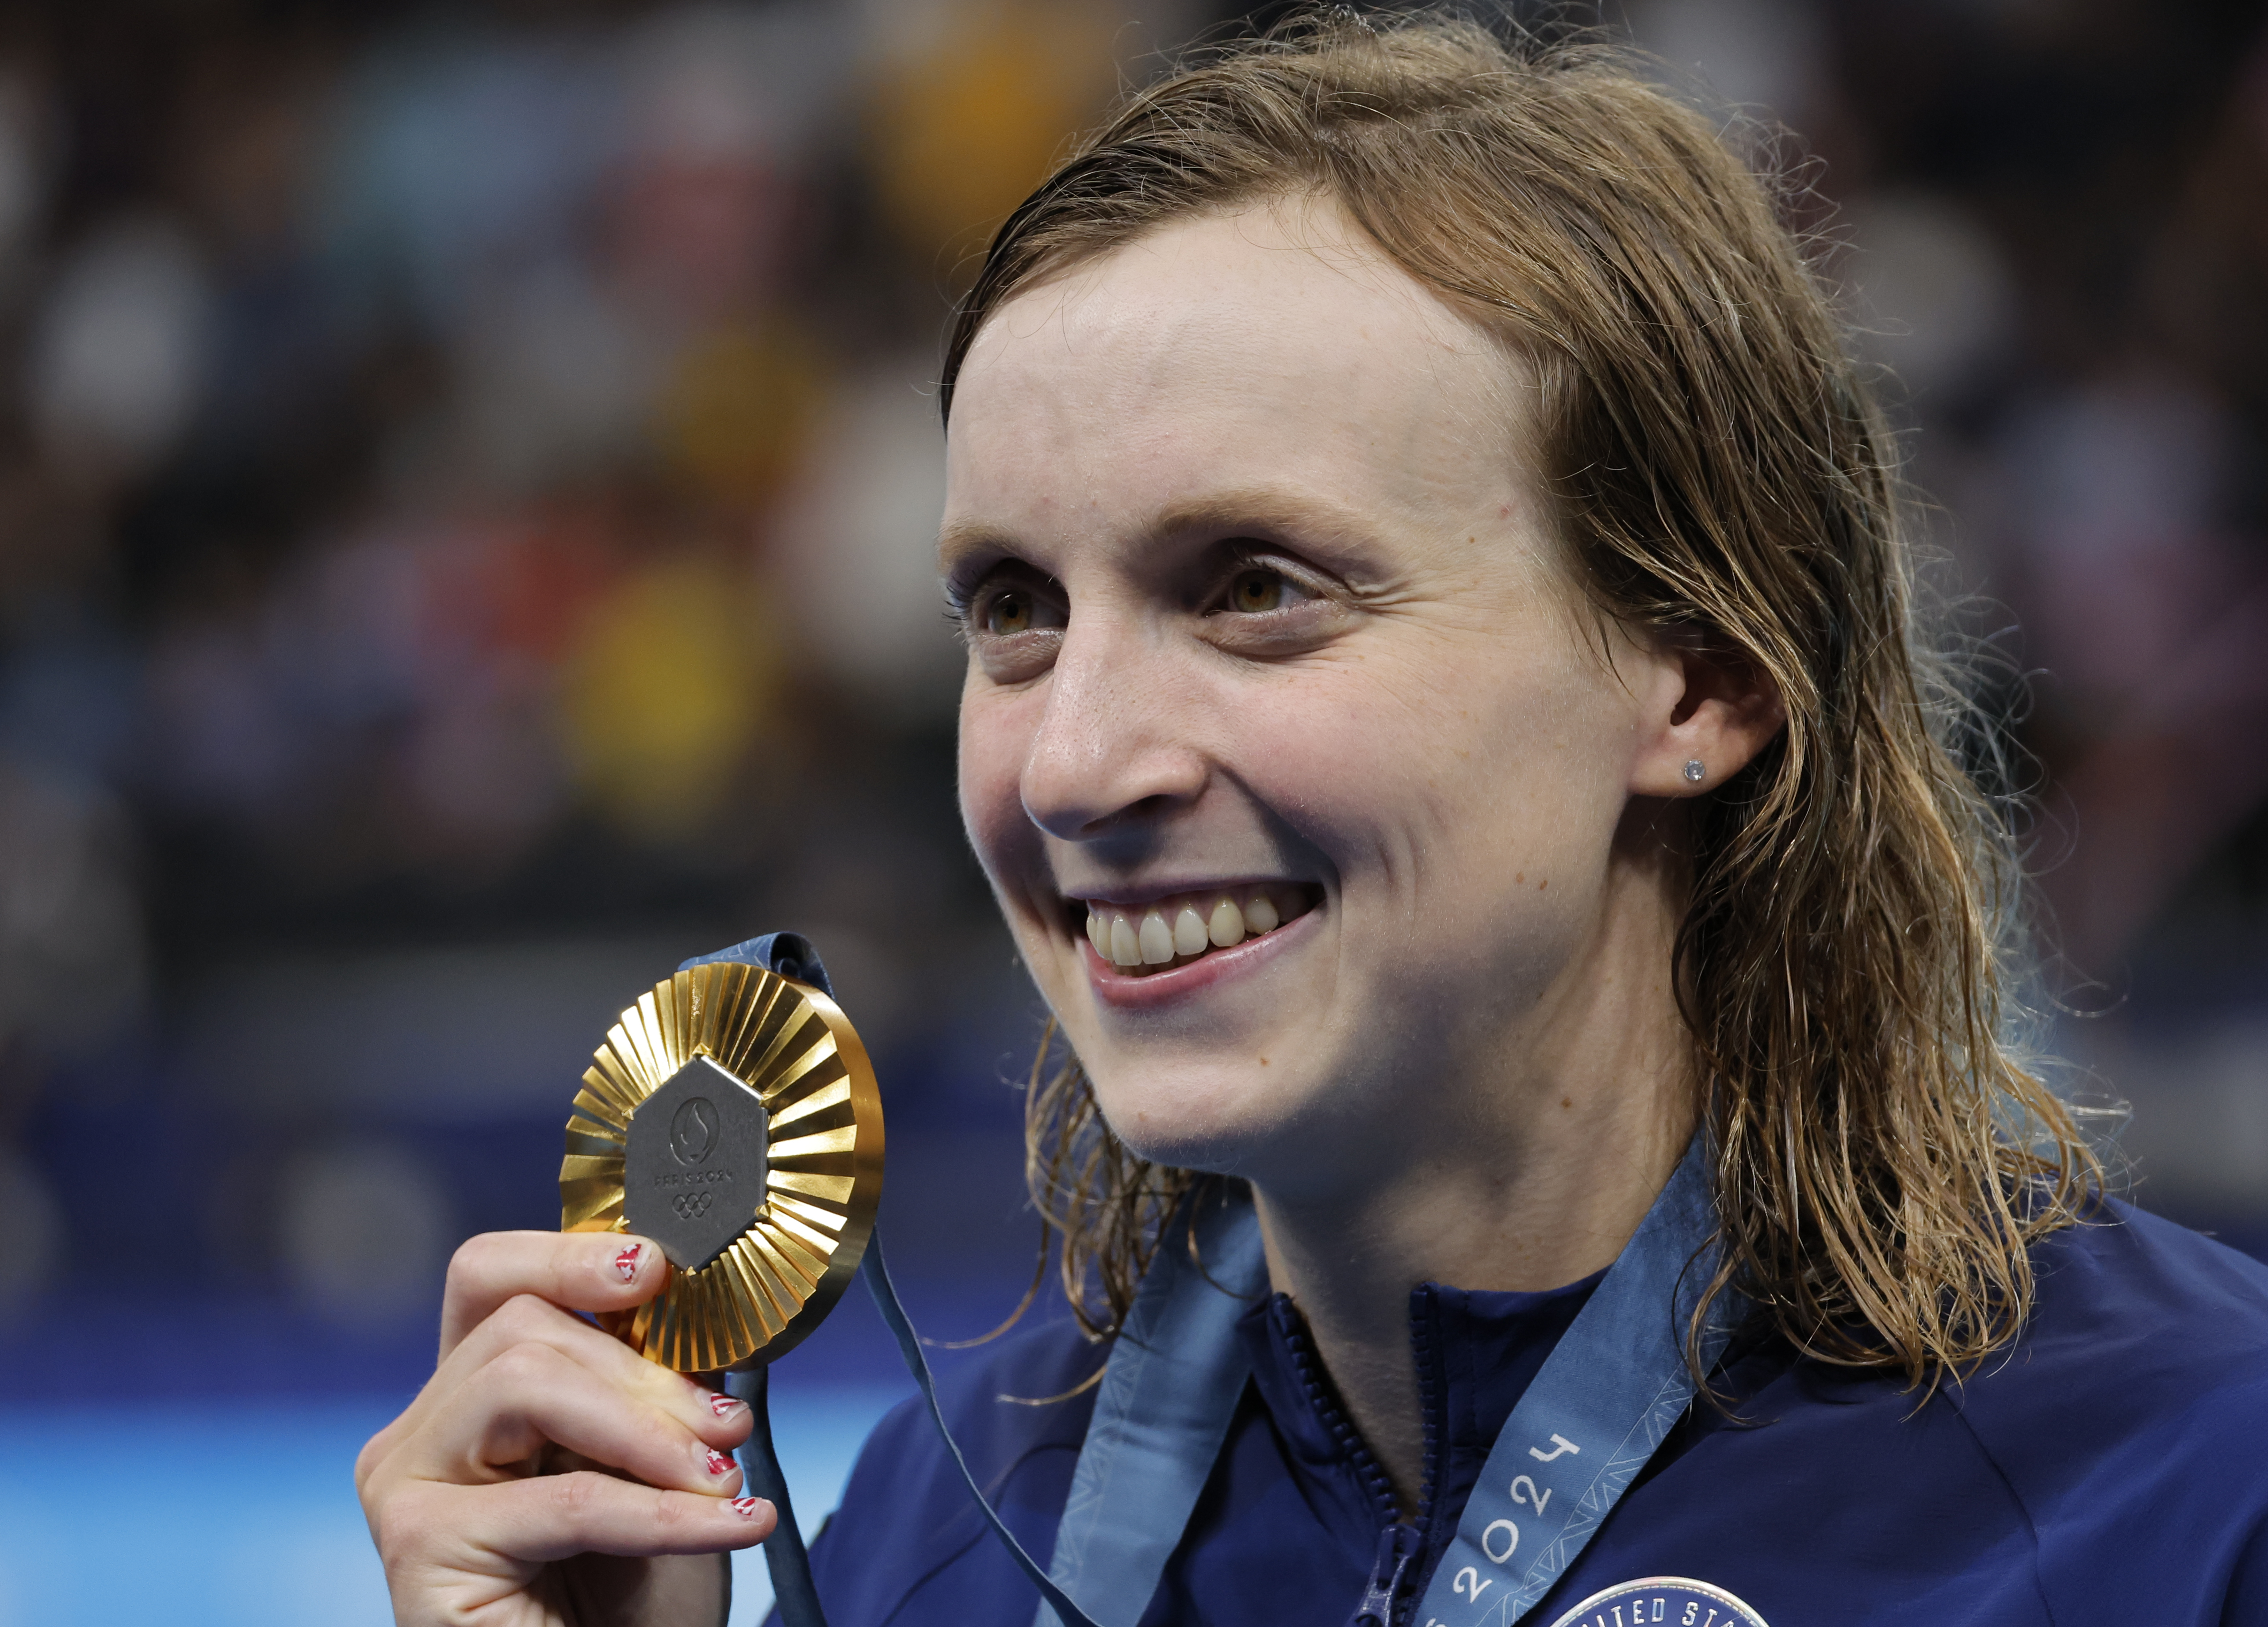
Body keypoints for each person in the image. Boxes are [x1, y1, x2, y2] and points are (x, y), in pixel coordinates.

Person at [356, 14, 2268, 1626]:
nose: (1076, 764)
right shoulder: (930, 1544)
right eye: (1015, 611)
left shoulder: (2187, 1494)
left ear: (1697, 679)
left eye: (1256, 585)